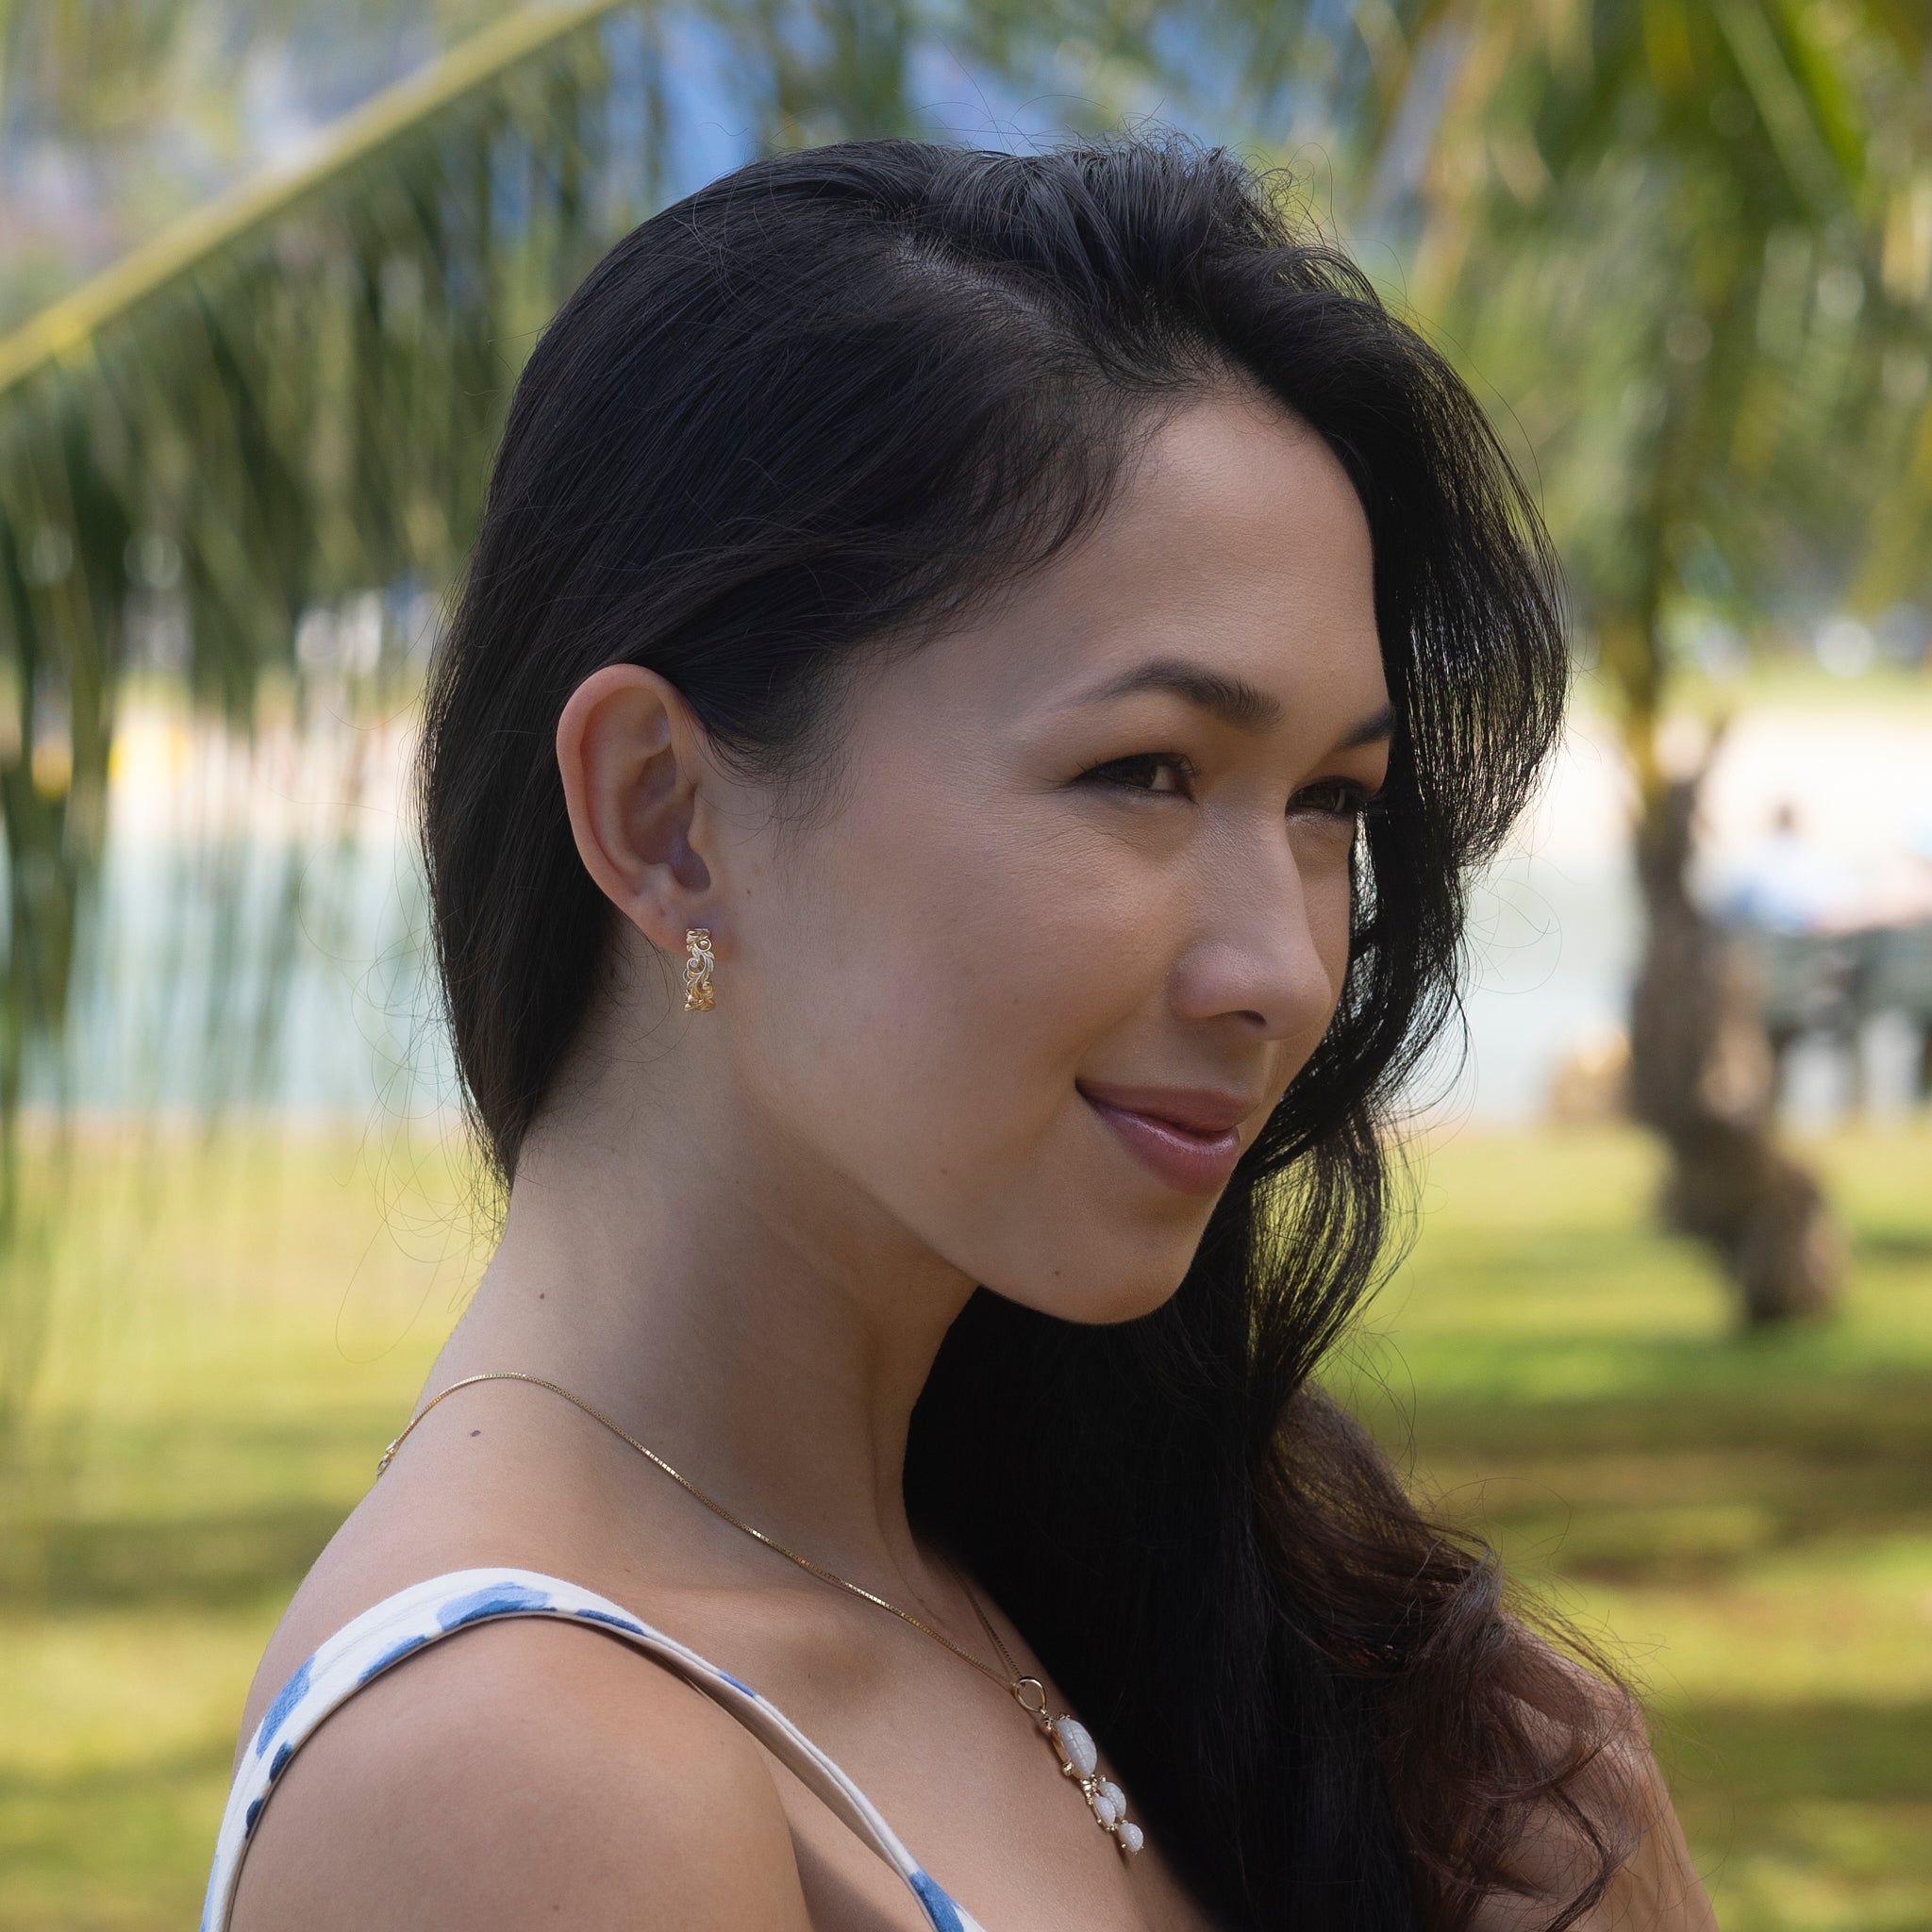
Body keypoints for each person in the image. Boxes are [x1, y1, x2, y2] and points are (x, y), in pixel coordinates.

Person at [204, 137, 1716, 1931]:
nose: (1287, 971)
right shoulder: (518, 1772)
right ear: (667, 814)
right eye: (1144, 772)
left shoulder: (1187, 1632)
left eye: (1327, 800)